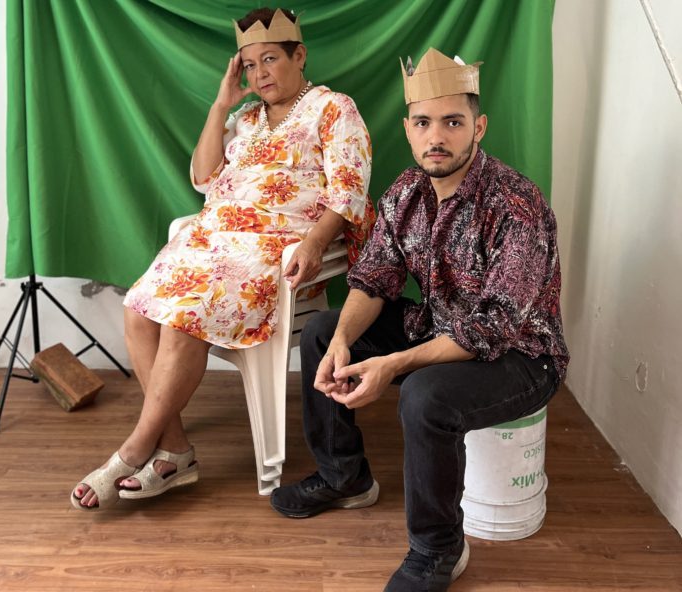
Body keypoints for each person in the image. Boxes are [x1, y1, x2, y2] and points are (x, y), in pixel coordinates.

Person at [270, 48, 569, 592]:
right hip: (441, 328)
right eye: (424, 122)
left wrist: (394, 365)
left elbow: (492, 328)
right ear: (408, 130)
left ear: (478, 127)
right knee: (321, 333)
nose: (437, 136)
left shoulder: (515, 203)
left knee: (424, 395)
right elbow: (373, 279)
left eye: (453, 122)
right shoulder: (405, 193)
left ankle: (438, 549)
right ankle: (345, 477)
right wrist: (343, 342)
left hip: (522, 356)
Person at [70, 7, 374, 510]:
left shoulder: (333, 108)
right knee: (138, 310)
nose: (260, 74)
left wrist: (315, 244)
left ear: (300, 55)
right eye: (250, 65)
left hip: (274, 250)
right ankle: (175, 450)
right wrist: (220, 105)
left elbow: (349, 192)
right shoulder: (246, 118)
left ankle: (135, 450)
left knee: (183, 317)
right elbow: (204, 178)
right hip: (212, 241)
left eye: (270, 59)